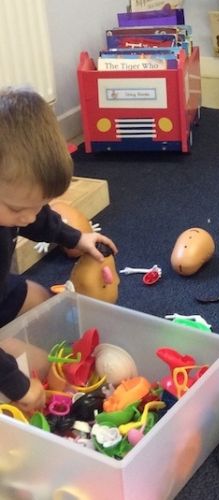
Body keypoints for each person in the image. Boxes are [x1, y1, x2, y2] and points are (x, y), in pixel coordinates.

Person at [0, 87, 118, 412]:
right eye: (17, 209)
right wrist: (17, 384)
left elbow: (36, 219)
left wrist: (74, 238)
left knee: (40, 300)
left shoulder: (16, 203)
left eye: (38, 205)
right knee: (28, 368)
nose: (28, 217)